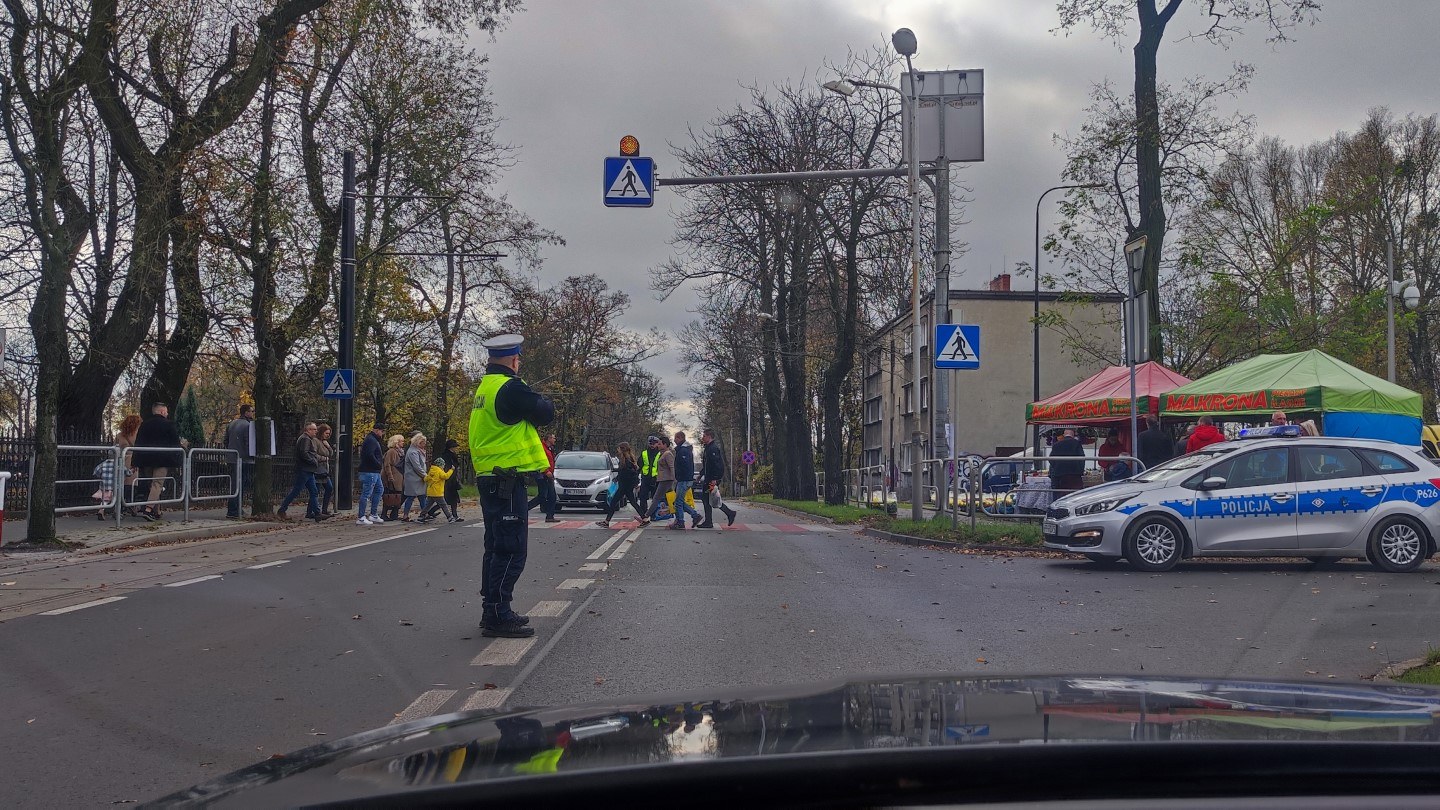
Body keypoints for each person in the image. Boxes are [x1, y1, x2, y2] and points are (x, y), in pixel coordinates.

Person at [469, 334, 555, 639]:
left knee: (495, 546)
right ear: (515, 360)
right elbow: (545, 413)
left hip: (490, 478)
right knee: (511, 549)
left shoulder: (485, 388)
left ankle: (492, 609)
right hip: (506, 480)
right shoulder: (510, 387)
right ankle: (498, 614)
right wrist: (543, 398)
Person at [132, 402, 182, 521]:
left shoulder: (145, 424)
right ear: (162, 412)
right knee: (157, 484)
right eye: (166, 411)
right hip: (163, 459)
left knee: (152, 485)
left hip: (146, 459)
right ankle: (148, 509)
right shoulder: (169, 424)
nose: (167, 413)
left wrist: (135, 461)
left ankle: (157, 511)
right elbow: (175, 442)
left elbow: (138, 442)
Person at [278, 422, 326, 521]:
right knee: (296, 491)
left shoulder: (306, 438)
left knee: (314, 491)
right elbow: (304, 453)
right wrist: (314, 461)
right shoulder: (305, 439)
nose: (316, 431)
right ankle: (282, 509)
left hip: (307, 470)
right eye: (314, 429)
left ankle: (317, 513)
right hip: (305, 469)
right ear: (308, 430)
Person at [598, 441, 647, 528]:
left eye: (618, 448)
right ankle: (644, 519)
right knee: (632, 502)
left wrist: (619, 477)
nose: (618, 450)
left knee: (614, 502)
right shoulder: (629, 459)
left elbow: (626, 472)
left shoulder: (625, 460)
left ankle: (606, 521)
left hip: (624, 486)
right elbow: (625, 471)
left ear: (621, 449)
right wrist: (617, 477)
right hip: (626, 485)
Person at [698, 428, 737, 528]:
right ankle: (727, 514)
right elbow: (707, 465)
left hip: (711, 480)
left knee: (708, 498)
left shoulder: (713, 449)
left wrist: (715, 479)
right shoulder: (708, 448)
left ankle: (711, 520)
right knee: (709, 498)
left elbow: (717, 465)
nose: (703, 438)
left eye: (704, 436)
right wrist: (701, 474)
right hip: (709, 478)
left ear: (709, 436)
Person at [224, 404, 255, 518]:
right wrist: (252, 456)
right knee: (241, 484)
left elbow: (226, 441)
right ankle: (235, 510)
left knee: (234, 484)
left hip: (232, 458)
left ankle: (233, 508)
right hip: (244, 459)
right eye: (252, 411)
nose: (252, 413)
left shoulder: (231, 424)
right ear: (246, 412)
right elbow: (249, 444)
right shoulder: (248, 425)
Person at [669, 431, 702, 530]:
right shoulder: (684, 450)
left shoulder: (683, 451)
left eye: (676, 438)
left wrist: (679, 476)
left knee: (678, 502)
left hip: (684, 480)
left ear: (680, 438)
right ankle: (695, 516)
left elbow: (685, 466)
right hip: (684, 479)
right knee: (679, 501)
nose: (674, 440)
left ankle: (680, 522)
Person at [357, 423, 386, 525]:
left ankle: (373, 514)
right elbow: (370, 454)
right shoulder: (371, 440)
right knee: (366, 493)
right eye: (382, 431)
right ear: (377, 430)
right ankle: (361, 516)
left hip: (373, 471)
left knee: (379, 489)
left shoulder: (372, 440)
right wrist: (378, 464)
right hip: (370, 470)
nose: (382, 434)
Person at [526, 434, 558, 523]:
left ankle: (550, 516)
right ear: (549, 438)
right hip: (543, 475)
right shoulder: (542, 448)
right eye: (553, 438)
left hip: (548, 475)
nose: (555, 439)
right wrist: (546, 471)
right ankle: (524, 509)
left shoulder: (549, 448)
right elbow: (540, 461)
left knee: (551, 496)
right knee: (543, 496)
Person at [418, 455, 457, 523]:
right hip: (438, 492)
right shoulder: (439, 471)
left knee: (428, 505)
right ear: (440, 465)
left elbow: (426, 479)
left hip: (430, 492)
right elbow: (445, 476)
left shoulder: (431, 470)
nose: (443, 466)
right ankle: (450, 517)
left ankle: (422, 516)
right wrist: (451, 470)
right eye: (443, 465)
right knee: (443, 505)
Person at [115, 414, 141, 517]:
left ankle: (121, 507)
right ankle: (130, 505)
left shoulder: (120, 435)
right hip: (133, 461)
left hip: (121, 462)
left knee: (122, 485)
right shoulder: (137, 435)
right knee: (132, 485)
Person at [646, 436, 676, 523]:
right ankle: (693, 514)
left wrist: (673, 480)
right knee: (674, 500)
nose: (657, 445)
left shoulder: (668, 454)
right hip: (664, 480)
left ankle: (645, 516)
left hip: (666, 480)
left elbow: (671, 467)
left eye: (659, 444)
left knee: (656, 499)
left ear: (665, 444)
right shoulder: (663, 453)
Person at [1048, 429, 1086, 495]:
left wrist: (1057, 468)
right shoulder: (1077, 443)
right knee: (1075, 494)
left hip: (1060, 474)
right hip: (1074, 474)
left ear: (1064, 435)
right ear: (1073, 435)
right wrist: (1080, 471)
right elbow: (1082, 458)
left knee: (1061, 494)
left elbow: (1051, 459)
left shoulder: (1056, 444)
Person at [402, 432, 428, 521]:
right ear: (419, 442)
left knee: (422, 496)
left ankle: (424, 513)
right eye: (423, 443)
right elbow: (417, 466)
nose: (424, 445)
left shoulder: (417, 451)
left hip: (418, 478)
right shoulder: (413, 452)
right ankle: (405, 515)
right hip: (414, 478)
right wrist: (425, 476)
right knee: (411, 496)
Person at [381, 434, 406, 522]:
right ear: (396, 442)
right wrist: (390, 476)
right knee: (390, 495)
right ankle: (384, 514)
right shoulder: (392, 452)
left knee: (397, 495)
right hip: (393, 478)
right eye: (401, 441)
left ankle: (393, 514)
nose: (403, 443)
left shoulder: (399, 452)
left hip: (398, 477)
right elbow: (387, 465)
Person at [438, 438, 464, 522]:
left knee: (451, 499)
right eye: (454, 447)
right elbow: (449, 467)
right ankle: (454, 515)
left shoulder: (449, 455)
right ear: (451, 447)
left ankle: (455, 515)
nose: (456, 449)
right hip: (449, 479)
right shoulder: (448, 456)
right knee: (446, 499)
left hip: (451, 479)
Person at [315, 422, 336, 516]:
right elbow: (313, 454)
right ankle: (314, 510)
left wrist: (328, 447)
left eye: (329, 434)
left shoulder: (324, 442)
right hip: (318, 469)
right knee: (316, 490)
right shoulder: (315, 441)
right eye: (326, 433)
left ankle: (324, 509)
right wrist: (324, 458)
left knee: (329, 488)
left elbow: (330, 454)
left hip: (325, 470)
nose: (328, 435)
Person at [637, 435, 661, 513]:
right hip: (646, 478)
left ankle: (654, 513)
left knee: (655, 498)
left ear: (657, 444)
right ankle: (643, 513)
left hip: (656, 479)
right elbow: (639, 465)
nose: (652, 445)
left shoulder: (660, 453)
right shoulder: (644, 453)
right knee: (643, 497)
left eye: (654, 443)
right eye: (650, 443)